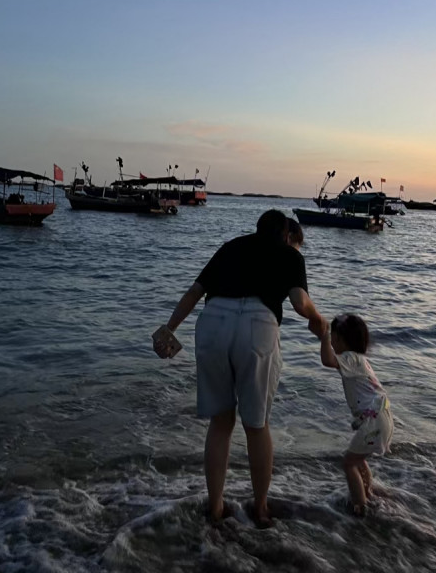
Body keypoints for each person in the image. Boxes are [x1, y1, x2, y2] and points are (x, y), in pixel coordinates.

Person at [154, 209, 328, 526]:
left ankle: (216, 508)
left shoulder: (231, 246)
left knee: (221, 423)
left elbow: (194, 292)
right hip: (257, 326)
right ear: (287, 235)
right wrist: (319, 321)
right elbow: (299, 302)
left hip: (212, 323)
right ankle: (260, 509)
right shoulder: (289, 254)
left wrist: (169, 330)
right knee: (256, 425)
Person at [319, 313, 393, 516]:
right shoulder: (359, 360)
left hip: (374, 420)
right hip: (382, 417)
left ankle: (360, 506)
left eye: (333, 338)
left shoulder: (350, 357)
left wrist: (323, 335)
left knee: (349, 463)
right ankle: (367, 493)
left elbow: (327, 360)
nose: (331, 343)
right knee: (358, 459)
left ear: (341, 340)